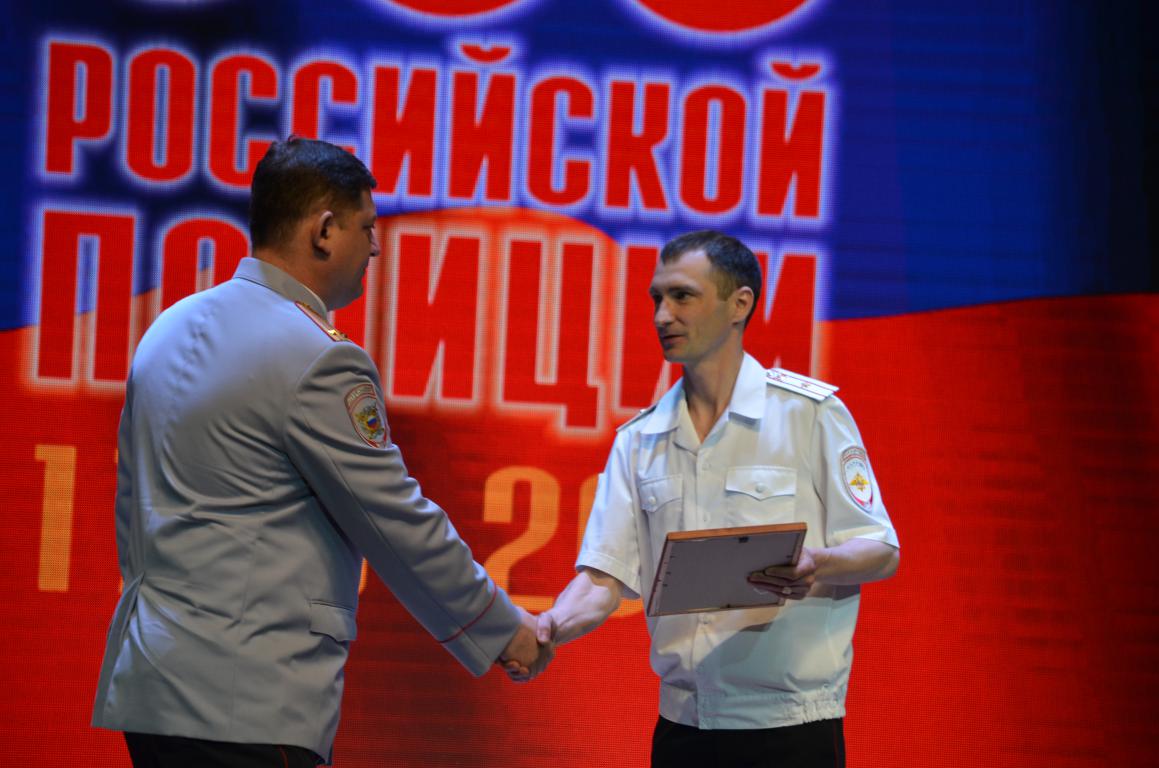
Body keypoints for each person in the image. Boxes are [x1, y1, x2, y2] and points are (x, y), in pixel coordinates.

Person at [91, 137, 550, 767]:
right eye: (367, 227)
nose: (376, 247)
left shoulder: (166, 329)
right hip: (246, 701)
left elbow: (131, 508)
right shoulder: (316, 356)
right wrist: (501, 628)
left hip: (149, 684)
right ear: (325, 231)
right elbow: (394, 520)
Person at [535, 230, 899, 767]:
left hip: (792, 729)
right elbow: (601, 580)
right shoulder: (639, 438)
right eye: (657, 298)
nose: (662, 315)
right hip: (684, 729)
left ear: (739, 304)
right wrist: (546, 629)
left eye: (682, 296)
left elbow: (881, 548)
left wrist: (818, 562)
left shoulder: (809, 414)